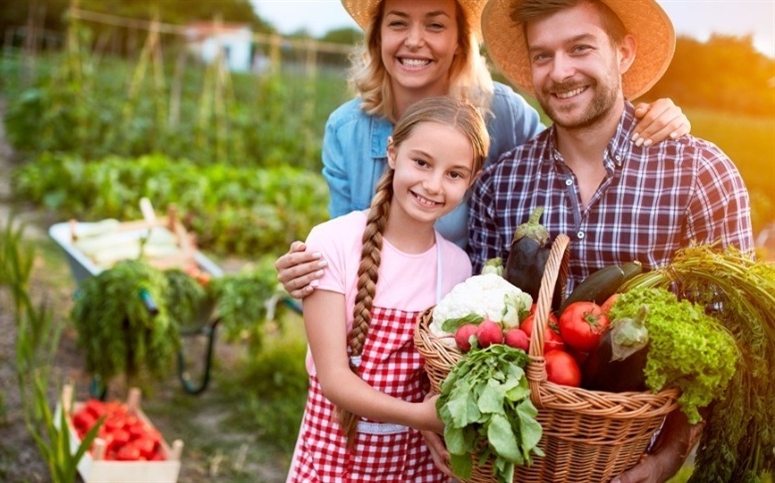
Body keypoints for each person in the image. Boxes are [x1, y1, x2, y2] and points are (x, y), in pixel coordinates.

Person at [469, 0, 754, 481]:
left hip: (635, 462)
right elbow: (483, 331)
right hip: (516, 458)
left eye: (580, 48)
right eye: (542, 56)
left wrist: (667, 458)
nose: (560, 72)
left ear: (623, 53)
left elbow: (729, 349)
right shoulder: (499, 185)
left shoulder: (702, 176)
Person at [276, 0, 691, 299]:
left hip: (460, 321)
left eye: (435, 25)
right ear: (378, 37)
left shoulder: (502, 114)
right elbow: (344, 245)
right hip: (380, 315)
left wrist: (651, 113)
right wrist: (309, 269)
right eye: (398, 23)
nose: (414, 41)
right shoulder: (346, 130)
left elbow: (573, 138)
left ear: (460, 40)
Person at [286, 95, 488, 482]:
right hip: (335, 455)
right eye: (422, 162)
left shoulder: (457, 267)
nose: (433, 184)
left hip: (415, 463)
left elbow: (437, 375)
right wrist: (422, 415)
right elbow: (334, 380)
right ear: (393, 153)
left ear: (471, 180)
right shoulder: (334, 243)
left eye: (454, 174)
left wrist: (433, 412)